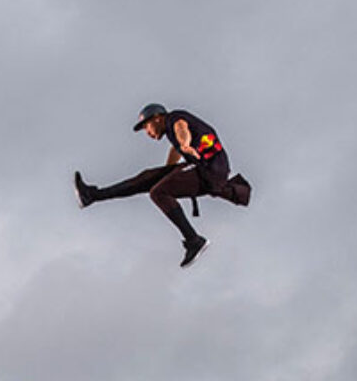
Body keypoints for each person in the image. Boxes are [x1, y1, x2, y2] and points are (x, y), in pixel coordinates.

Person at [74, 103, 250, 268]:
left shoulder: (175, 118)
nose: (148, 133)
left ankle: (194, 241)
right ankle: (92, 195)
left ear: (157, 118)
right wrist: (165, 173)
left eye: (146, 127)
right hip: (204, 168)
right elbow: (175, 150)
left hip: (209, 171)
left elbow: (182, 128)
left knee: (158, 192)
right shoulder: (172, 131)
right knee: (147, 177)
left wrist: (185, 144)